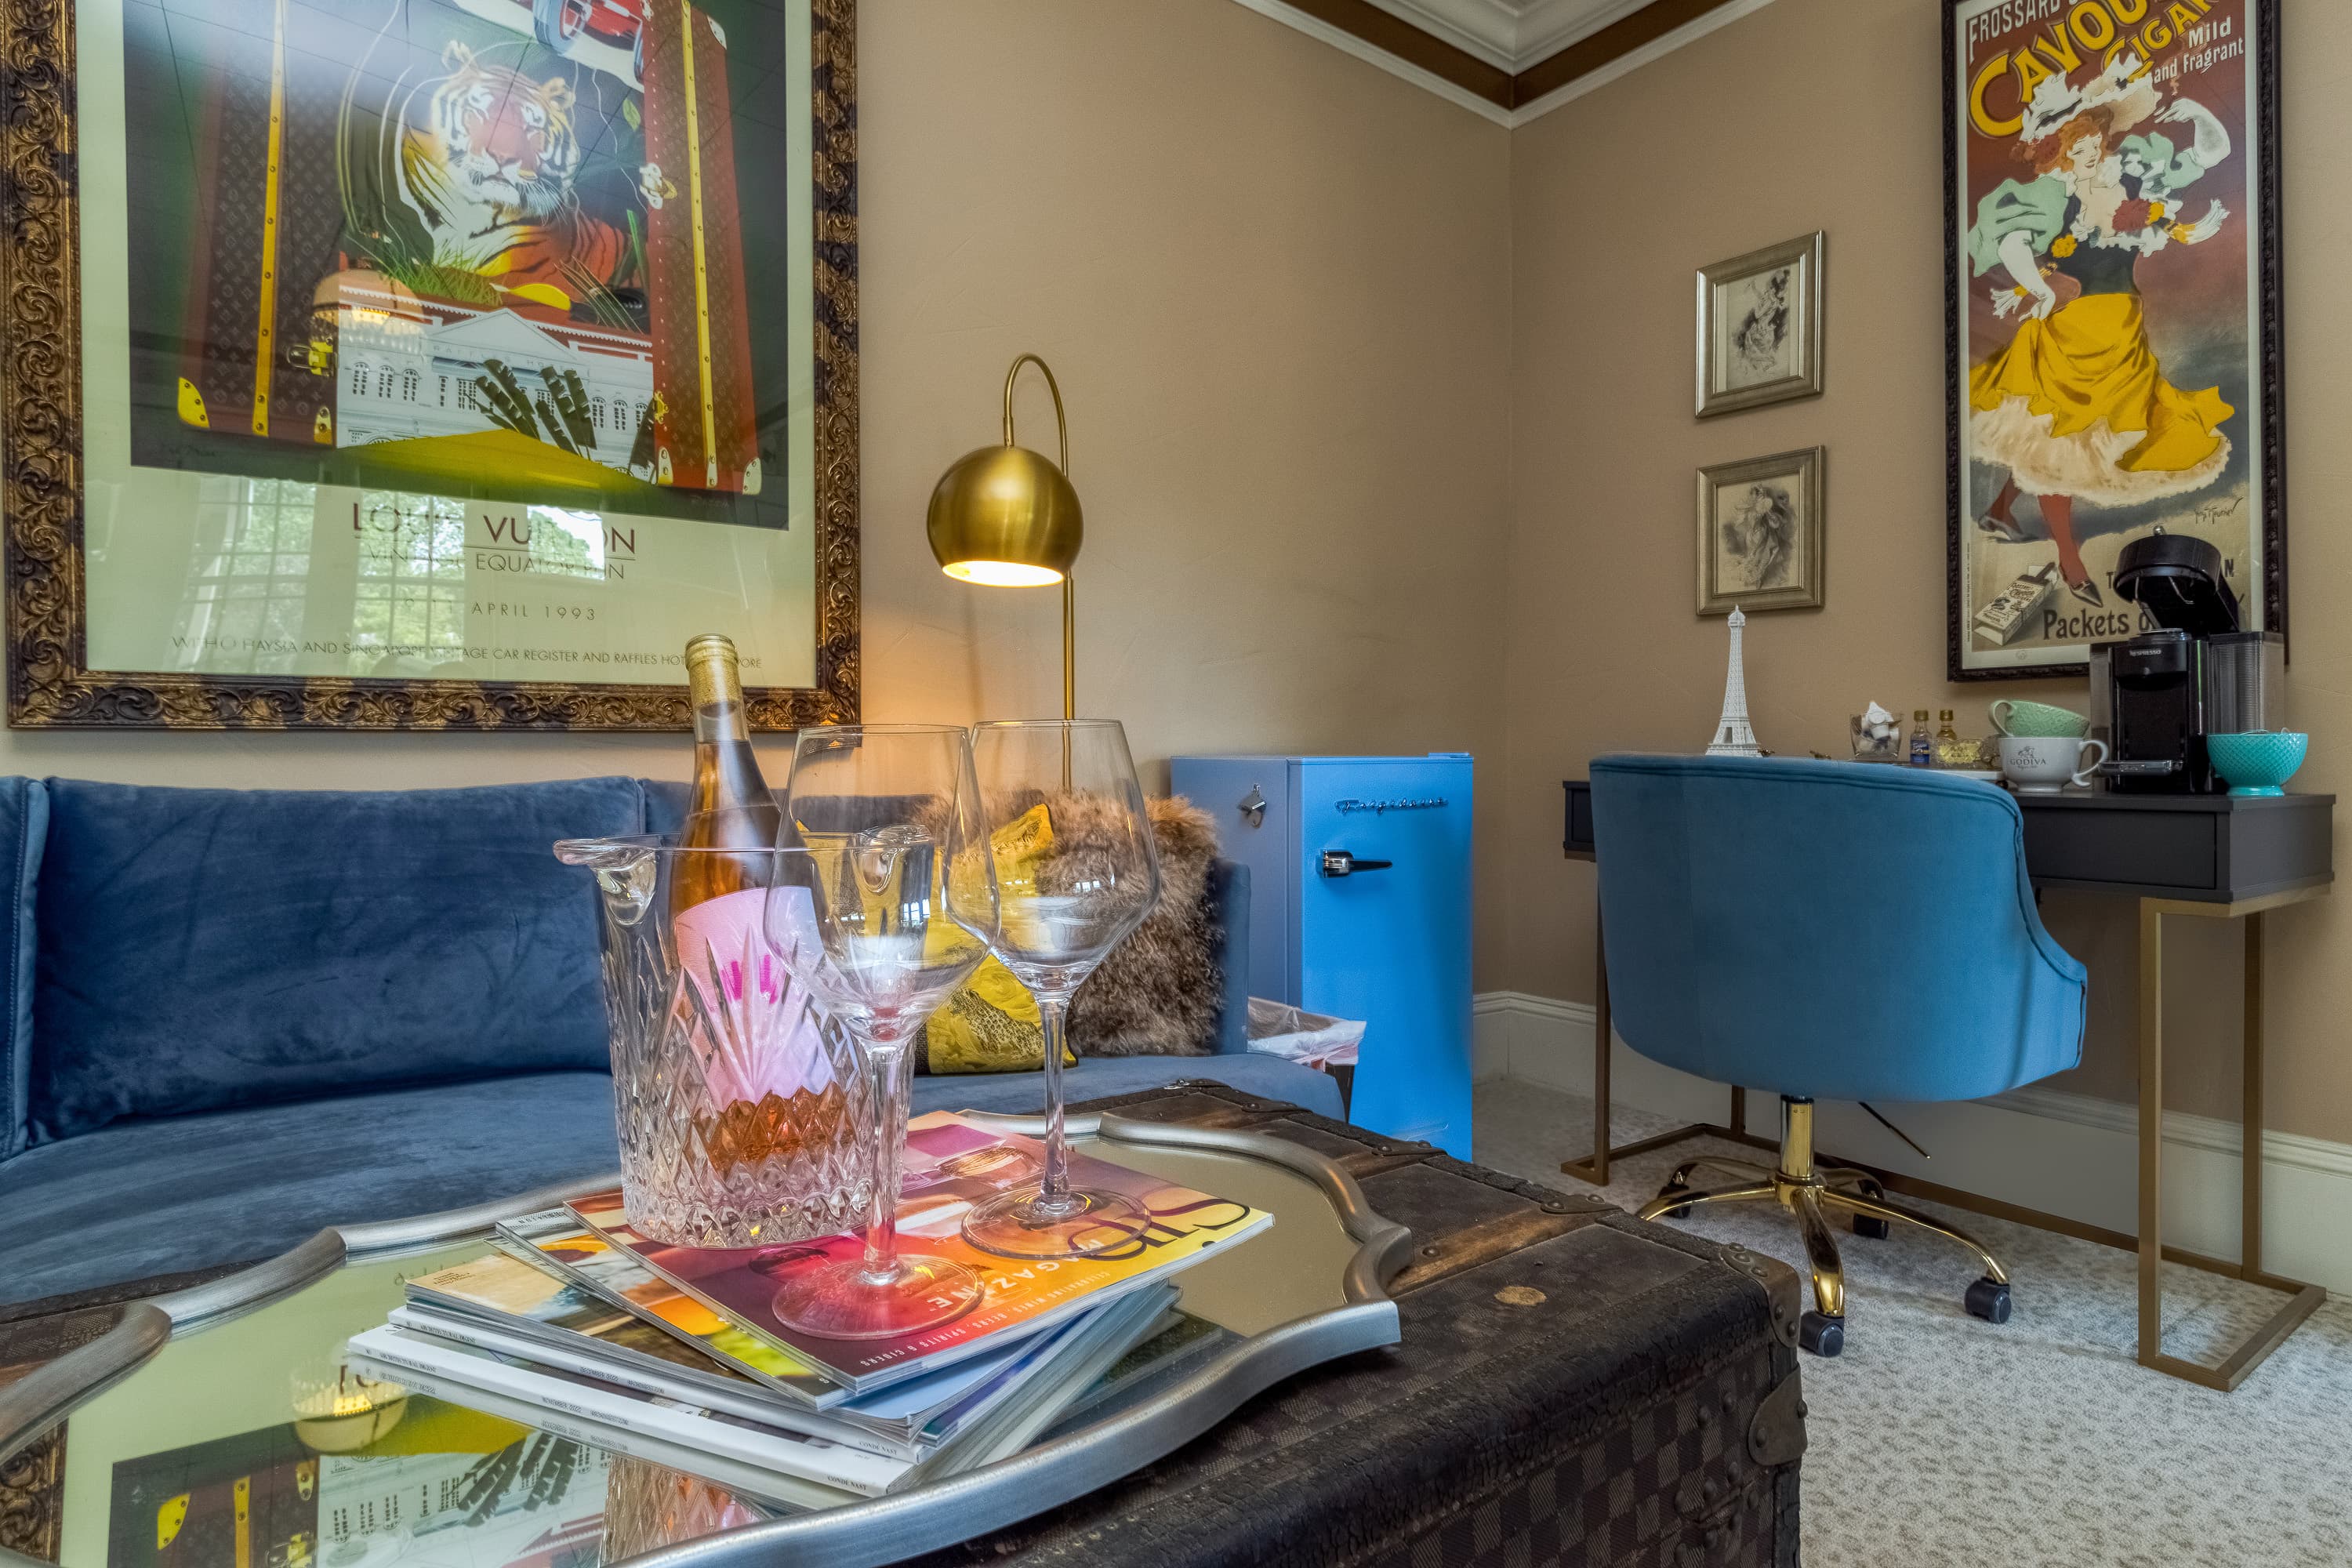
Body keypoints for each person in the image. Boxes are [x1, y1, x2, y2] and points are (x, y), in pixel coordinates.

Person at [1965, 54, 2234, 609]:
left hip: (2123, 330)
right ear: (2059, 152)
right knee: (2061, 440)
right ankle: (2071, 562)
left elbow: (2211, 155)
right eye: (2076, 144)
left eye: (2093, 140)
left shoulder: (2133, 180)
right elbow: (2012, 243)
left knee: (2067, 439)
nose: (2089, 150)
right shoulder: (2053, 201)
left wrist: (2199, 115)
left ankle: (1999, 509)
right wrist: (2038, 290)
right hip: (2071, 335)